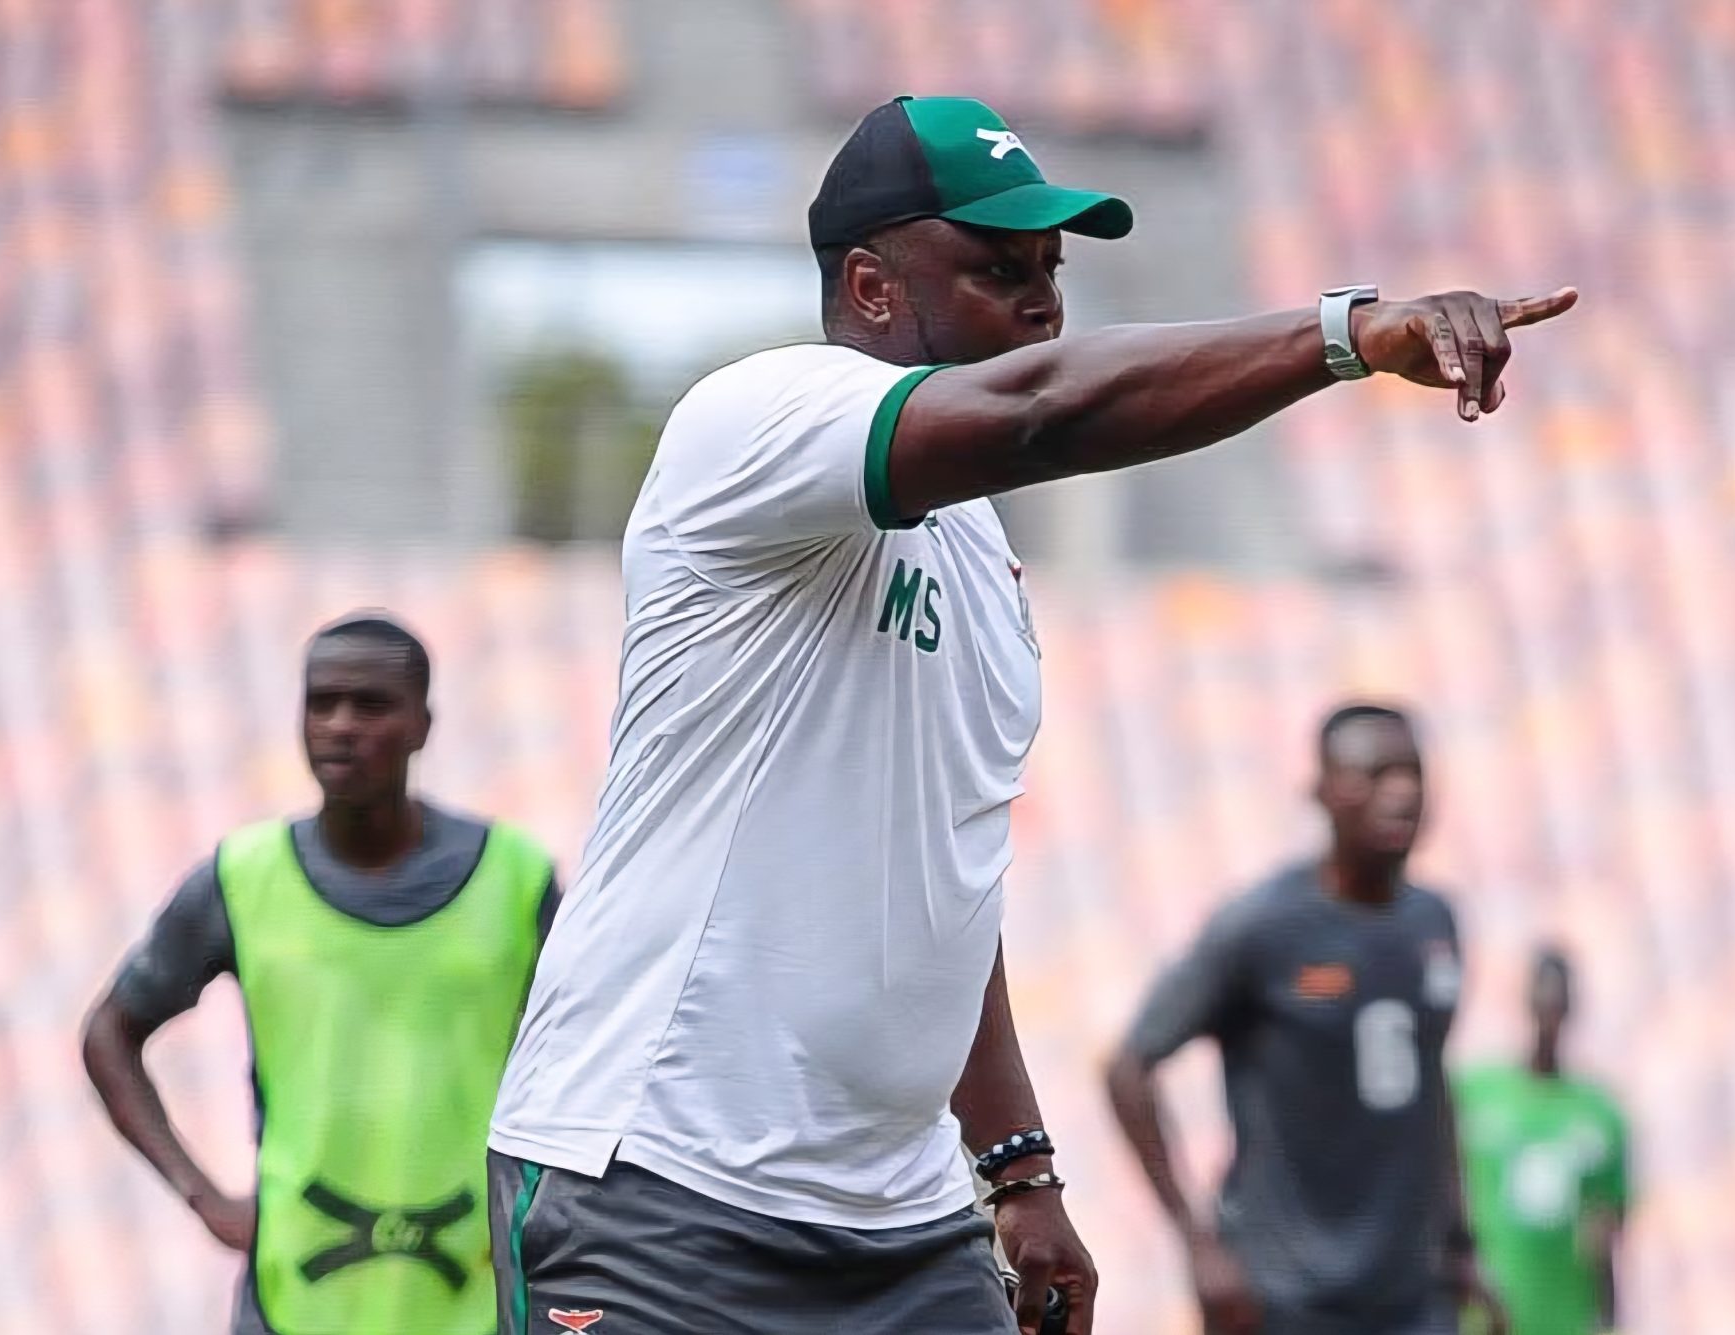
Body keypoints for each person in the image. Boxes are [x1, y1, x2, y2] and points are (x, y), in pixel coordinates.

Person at [487, 93, 1575, 1335]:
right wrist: (1344, 335)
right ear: (871, 285)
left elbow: (948, 885)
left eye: (1052, 271)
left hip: (900, 1220)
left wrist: (1016, 1165)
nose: (1042, 300)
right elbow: (1041, 410)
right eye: (998, 268)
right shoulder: (759, 419)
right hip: (661, 1185)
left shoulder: (982, 568)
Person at [83, 613, 560, 1335]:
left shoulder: (516, 881)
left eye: (371, 704)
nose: (341, 724)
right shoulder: (244, 879)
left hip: (469, 1293)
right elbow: (110, 1034)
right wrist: (204, 1197)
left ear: (422, 724)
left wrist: (545, 1208)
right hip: (296, 1294)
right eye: (321, 701)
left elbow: (595, 1058)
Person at [1105, 703, 1508, 1335]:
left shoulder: (1436, 923)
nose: (1400, 791)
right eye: (1372, 774)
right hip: (1286, 1296)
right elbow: (1129, 1068)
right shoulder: (1263, 927)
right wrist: (1197, 1241)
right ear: (1319, 792)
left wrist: (1461, 1242)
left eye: (1411, 772)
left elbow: (1430, 1083)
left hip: (1411, 1297)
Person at [1453, 947, 1629, 1335]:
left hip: (1564, 1315)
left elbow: (1606, 1233)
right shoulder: (1477, 1092)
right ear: (1527, 998)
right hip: (1486, 1312)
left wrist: (1611, 1316)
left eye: (1559, 998)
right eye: (1543, 995)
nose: (1550, 1011)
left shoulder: (1599, 1113)